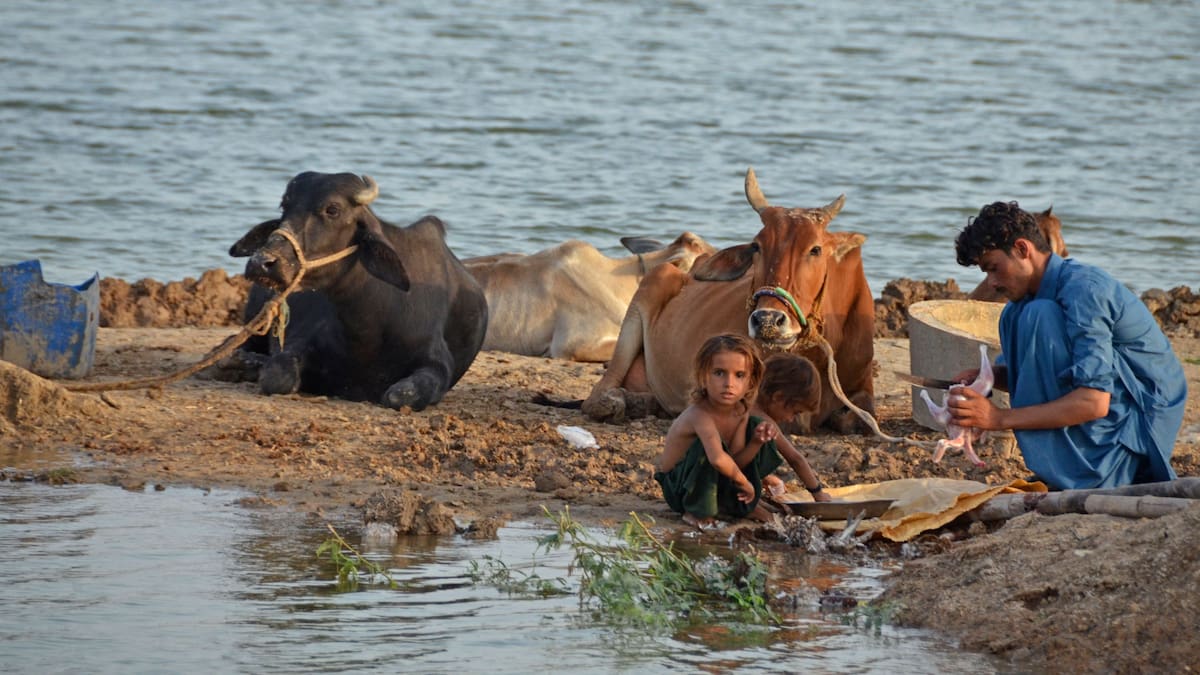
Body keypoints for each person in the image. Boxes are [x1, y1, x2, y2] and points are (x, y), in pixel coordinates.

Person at [950, 200, 1187, 490]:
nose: (992, 282)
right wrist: (988, 379)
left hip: (1138, 423)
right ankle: (1066, 468)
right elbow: (1040, 373)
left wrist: (998, 418)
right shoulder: (1021, 306)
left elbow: (1094, 401)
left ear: (1023, 250)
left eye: (994, 268)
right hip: (1105, 405)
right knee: (1016, 314)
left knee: (1038, 315)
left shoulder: (1084, 289)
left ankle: (1094, 472)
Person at [654, 334, 828, 529]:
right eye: (719, 373)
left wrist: (755, 443)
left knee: (757, 432)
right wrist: (744, 482)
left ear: (751, 382)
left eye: (739, 375)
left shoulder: (742, 412)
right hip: (679, 487)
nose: (729, 383)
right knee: (709, 451)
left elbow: (736, 462)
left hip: (713, 477)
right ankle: (697, 512)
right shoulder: (699, 414)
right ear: (703, 376)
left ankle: (739, 505)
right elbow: (718, 460)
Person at [754, 352, 833, 504]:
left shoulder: (745, 404)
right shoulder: (760, 419)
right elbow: (795, 458)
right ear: (778, 397)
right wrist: (818, 493)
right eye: (795, 412)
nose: (790, 419)